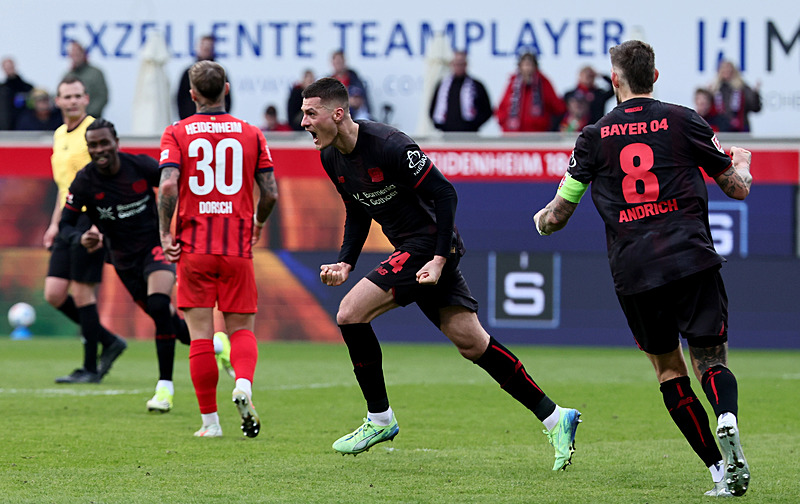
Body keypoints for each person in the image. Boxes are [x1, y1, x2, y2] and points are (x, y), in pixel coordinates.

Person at [300, 77, 581, 469]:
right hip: (415, 252)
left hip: (429, 245)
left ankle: (379, 418)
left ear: (338, 113)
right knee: (473, 343)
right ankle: (556, 416)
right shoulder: (331, 156)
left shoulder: (390, 144)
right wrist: (346, 260)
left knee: (350, 313)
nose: (303, 122)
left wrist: (438, 258)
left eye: (310, 113)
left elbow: (445, 192)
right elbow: (357, 209)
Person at [533, 40, 752, 497]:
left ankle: (717, 470)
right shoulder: (684, 119)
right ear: (655, 76)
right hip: (691, 258)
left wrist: (541, 222)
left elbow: (558, 214)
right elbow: (737, 189)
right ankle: (727, 417)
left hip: (635, 271)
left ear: (615, 80)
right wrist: (744, 165)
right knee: (710, 359)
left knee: (670, 372)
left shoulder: (592, 137)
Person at [158, 60, 278, 438]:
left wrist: (165, 233)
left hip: (194, 246)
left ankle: (210, 423)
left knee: (200, 336)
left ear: (192, 94)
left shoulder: (177, 132)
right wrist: (258, 223)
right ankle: (243, 383)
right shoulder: (251, 133)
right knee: (241, 328)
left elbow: (167, 186)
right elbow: (271, 192)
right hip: (236, 246)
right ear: (226, 89)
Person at [59, 118, 207, 412]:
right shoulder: (85, 181)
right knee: (166, 320)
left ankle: (164, 388)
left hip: (156, 247)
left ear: (116, 142)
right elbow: (66, 224)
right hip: (124, 260)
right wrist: (81, 238)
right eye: (93, 145)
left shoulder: (139, 166)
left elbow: (175, 184)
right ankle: (211, 345)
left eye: (104, 142)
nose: (100, 149)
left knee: (158, 303)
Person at [44, 76, 126, 384]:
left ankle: (90, 367)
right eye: (67, 96)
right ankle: (110, 341)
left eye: (77, 95)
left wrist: (99, 221)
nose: (72, 101)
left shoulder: (95, 131)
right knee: (54, 293)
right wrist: (54, 225)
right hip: (67, 218)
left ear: (86, 98)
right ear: (58, 101)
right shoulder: (59, 134)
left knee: (82, 293)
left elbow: (108, 179)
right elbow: (62, 186)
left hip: (89, 218)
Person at [495, 52, 565, 132]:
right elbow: (502, 107)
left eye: (530, 65)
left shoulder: (543, 83)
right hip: (514, 133)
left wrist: (544, 124)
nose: (527, 68)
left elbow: (557, 107)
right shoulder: (513, 84)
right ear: (520, 67)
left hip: (538, 134)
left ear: (535, 67)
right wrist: (504, 123)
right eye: (525, 65)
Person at [429, 50, 493, 132]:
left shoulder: (476, 86)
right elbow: (432, 109)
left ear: (466, 65)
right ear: (451, 65)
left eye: (461, 64)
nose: (459, 67)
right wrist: (441, 125)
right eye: (456, 64)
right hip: (446, 133)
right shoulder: (442, 86)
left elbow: (487, 111)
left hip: (470, 134)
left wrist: (474, 125)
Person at [176, 35, 231, 120]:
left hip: (216, 120)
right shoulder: (188, 73)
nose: (206, 49)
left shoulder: (219, 71)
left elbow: (228, 99)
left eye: (209, 47)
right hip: (192, 118)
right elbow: (180, 98)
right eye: (204, 46)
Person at [709, 60, 762, 133]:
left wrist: (755, 95)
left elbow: (755, 108)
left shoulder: (742, 87)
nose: (727, 72)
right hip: (720, 128)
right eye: (724, 70)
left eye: (729, 70)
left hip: (740, 127)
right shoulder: (714, 89)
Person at [63, 41, 108, 118]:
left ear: (84, 55)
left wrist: (87, 114)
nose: (75, 57)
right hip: (72, 119)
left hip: (92, 118)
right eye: (73, 55)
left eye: (77, 54)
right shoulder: (68, 75)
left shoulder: (95, 73)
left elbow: (102, 97)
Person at [330, 50, 371, 116]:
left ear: (344, 62)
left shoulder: (355, 79)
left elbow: (360, 100)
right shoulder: (329, 82)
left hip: (354, 114)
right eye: (337, 62)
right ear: (332, 63)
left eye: (340, 62)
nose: (339, 65)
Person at [0, 57, 34, 130]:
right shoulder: (2, 89)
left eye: (10, 66)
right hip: (4, 128)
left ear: (14, 66)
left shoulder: (27, 88)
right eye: (6, 67)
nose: (9, 69)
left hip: (24, 127)